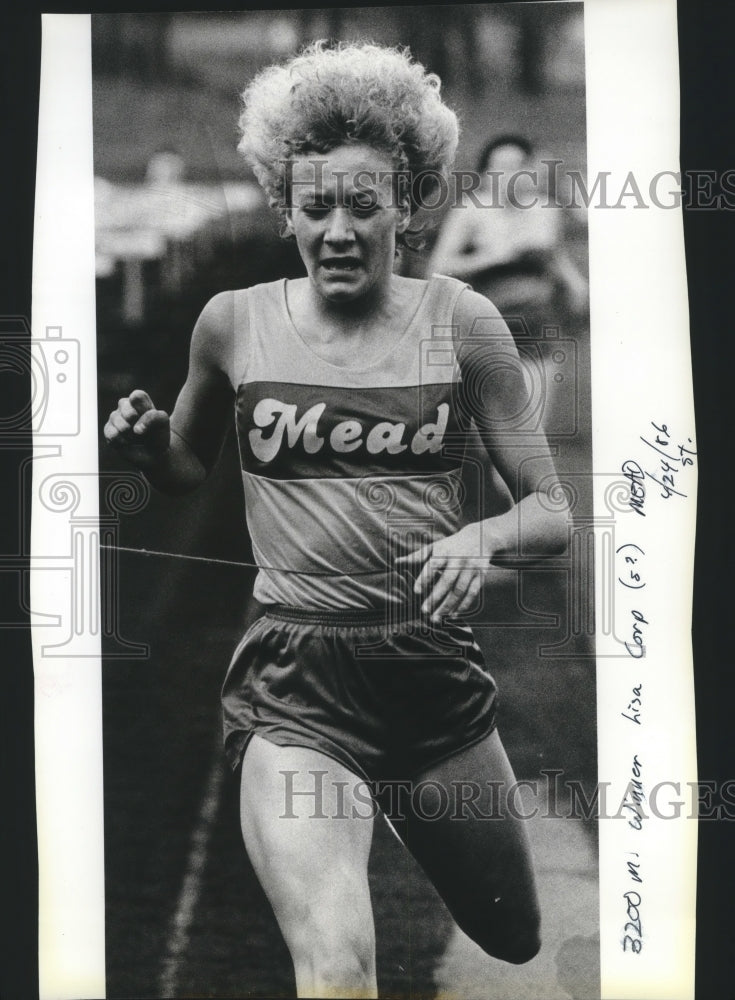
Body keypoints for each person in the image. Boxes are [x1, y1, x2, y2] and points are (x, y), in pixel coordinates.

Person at [104, 42, 570, 999]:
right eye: (316, 207)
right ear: (285, 209)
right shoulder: (232, 323)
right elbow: (190, 468)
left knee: (514, 935)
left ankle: (388, 795)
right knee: (337, 963)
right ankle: (338, 796)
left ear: (409, 202)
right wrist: (152, 449)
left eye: (365, 205)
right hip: (295, 682)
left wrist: (477, 536)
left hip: (430, 675)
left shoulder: (464, 322)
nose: (341, 229)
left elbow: (550, 512)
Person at [428, 133, 589, 340]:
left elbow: (556, 259)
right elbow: (438, 266)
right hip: (488, 314)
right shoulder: (471, 209)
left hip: (537, 316)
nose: (512, 175)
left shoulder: (545, 209)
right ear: (486, 175)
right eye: (503, 168)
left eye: (519, 166)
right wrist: (493, 257)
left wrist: (577, 287)